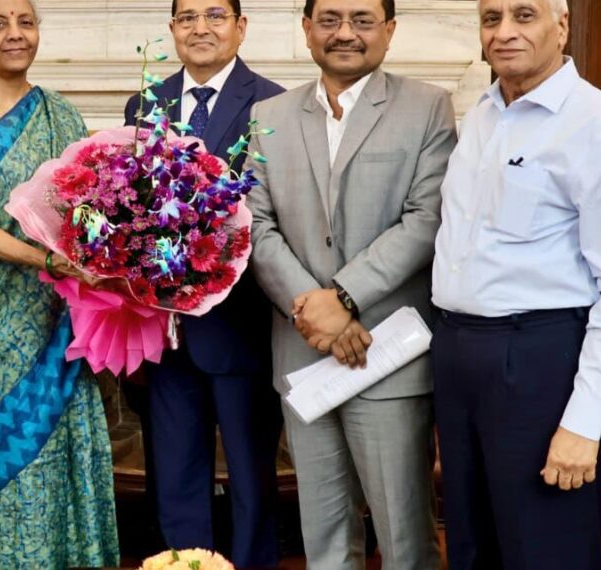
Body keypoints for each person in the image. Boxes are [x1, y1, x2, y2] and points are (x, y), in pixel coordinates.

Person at [430, 0, 601, 568]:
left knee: (545, 551)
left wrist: (583, 423)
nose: (504, 32)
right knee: (471, 547)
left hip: (539, 364)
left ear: (562, 26)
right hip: (458, 356)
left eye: (524, 15)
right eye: (491, 18)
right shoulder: (481, 114)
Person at [246, 0, 456, 567]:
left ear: (389, 31)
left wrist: (342, 299)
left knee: (405, 537)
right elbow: (256, 226)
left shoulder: (428, 107)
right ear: (307, 29)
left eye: (362, 20)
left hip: (388, 351)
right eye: (330, 19)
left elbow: (426, 218)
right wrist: (314, 312)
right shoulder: (270, 114)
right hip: (303, 348)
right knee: (325, 536)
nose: (345, 33)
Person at [0, 0, 120, 567]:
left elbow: (90, 213)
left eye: (25, 22)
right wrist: (52, 262)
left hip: (54, 314)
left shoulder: (61, 113)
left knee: (55, 448)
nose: (15, 34)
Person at [121, 0, 284, 565]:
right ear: (171, 30)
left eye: (216, 15)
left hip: (241, 325)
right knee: (175, 471)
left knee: (249, 470)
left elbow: (274, 212)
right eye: (187, 17)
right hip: (163, 329)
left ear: (241, 27)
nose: (201, 28)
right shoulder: (146, 102)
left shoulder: (275, 104)